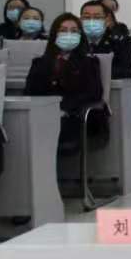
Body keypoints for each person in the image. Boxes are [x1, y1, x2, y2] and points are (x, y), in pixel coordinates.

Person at [26, 12, 106, 154]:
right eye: (63, 30)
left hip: (75, 115)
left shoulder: (90, 62)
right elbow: (31, 91)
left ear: (80, 35)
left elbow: (94, 93)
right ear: (54, 35)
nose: (68, 35)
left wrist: (64, 109)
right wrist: (50, 110)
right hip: (43, 114)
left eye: (74, 31)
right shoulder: (39, 63)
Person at [79, 0, 131, 78]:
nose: (91, 21)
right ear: (80, 20)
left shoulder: (120, 41)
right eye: (87, 17)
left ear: (107, 20)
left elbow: (125, 71)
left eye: (97, 17)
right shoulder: (75, 41)